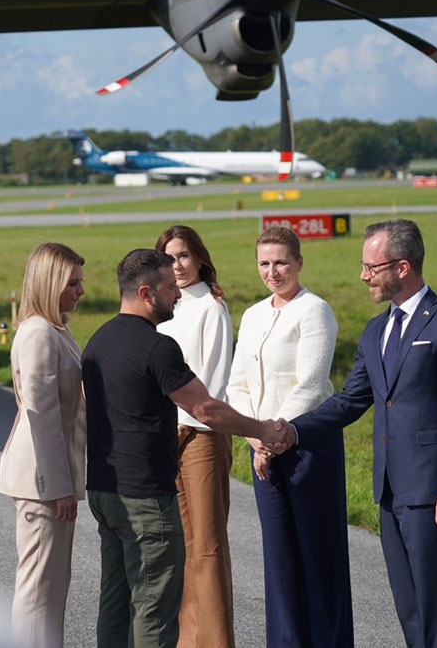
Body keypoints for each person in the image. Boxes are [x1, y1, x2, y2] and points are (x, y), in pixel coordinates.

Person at [282, 219, 437, 648]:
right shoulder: (376, 330)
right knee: (409, 607)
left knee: (436, 606)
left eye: (371, 267)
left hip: (432, 490)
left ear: (403, 267)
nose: (363, 276)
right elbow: (351, 400)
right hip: (390, 489)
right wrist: (290, 431)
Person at [81, 248, 294, 648]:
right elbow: (205, 408)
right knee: (155, 611)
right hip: (146, 498)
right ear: (145, 293)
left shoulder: (97, 341)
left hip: (105, 491)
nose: (178, 293)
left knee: (116, 601)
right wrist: (262, 428)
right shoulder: (156, 347)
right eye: (168, 286)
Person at [226, 225, 353, 647]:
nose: (273, 271)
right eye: (264, 263)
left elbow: (312, 384)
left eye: (281, 261)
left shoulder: (315, 310)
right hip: (262, 450)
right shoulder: (253, 314)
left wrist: (274, 434)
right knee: (279, 561)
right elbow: (236, 384)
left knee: (319, 559)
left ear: (299, 262)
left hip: (307, 448)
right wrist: (256, 439)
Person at [0, 243, 88, 648]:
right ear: (50, 284)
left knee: (53, 587)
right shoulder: (37, 333)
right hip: (41, 479)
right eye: (72, 283)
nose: (80, 291)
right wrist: (59, 485)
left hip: (51, 475)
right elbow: (41, 414)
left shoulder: (56, 328)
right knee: (37, 590)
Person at [153, 225, 236, 648]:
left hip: (201, 436)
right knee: (181, 550)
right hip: (168, 438)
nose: (178, 266)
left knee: (207, 548)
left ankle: (217, 642)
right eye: (169, 258)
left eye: (184, 256)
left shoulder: (211, 308)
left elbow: (214, 383)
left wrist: (186, 424)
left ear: (199, 258)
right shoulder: (170, 308)